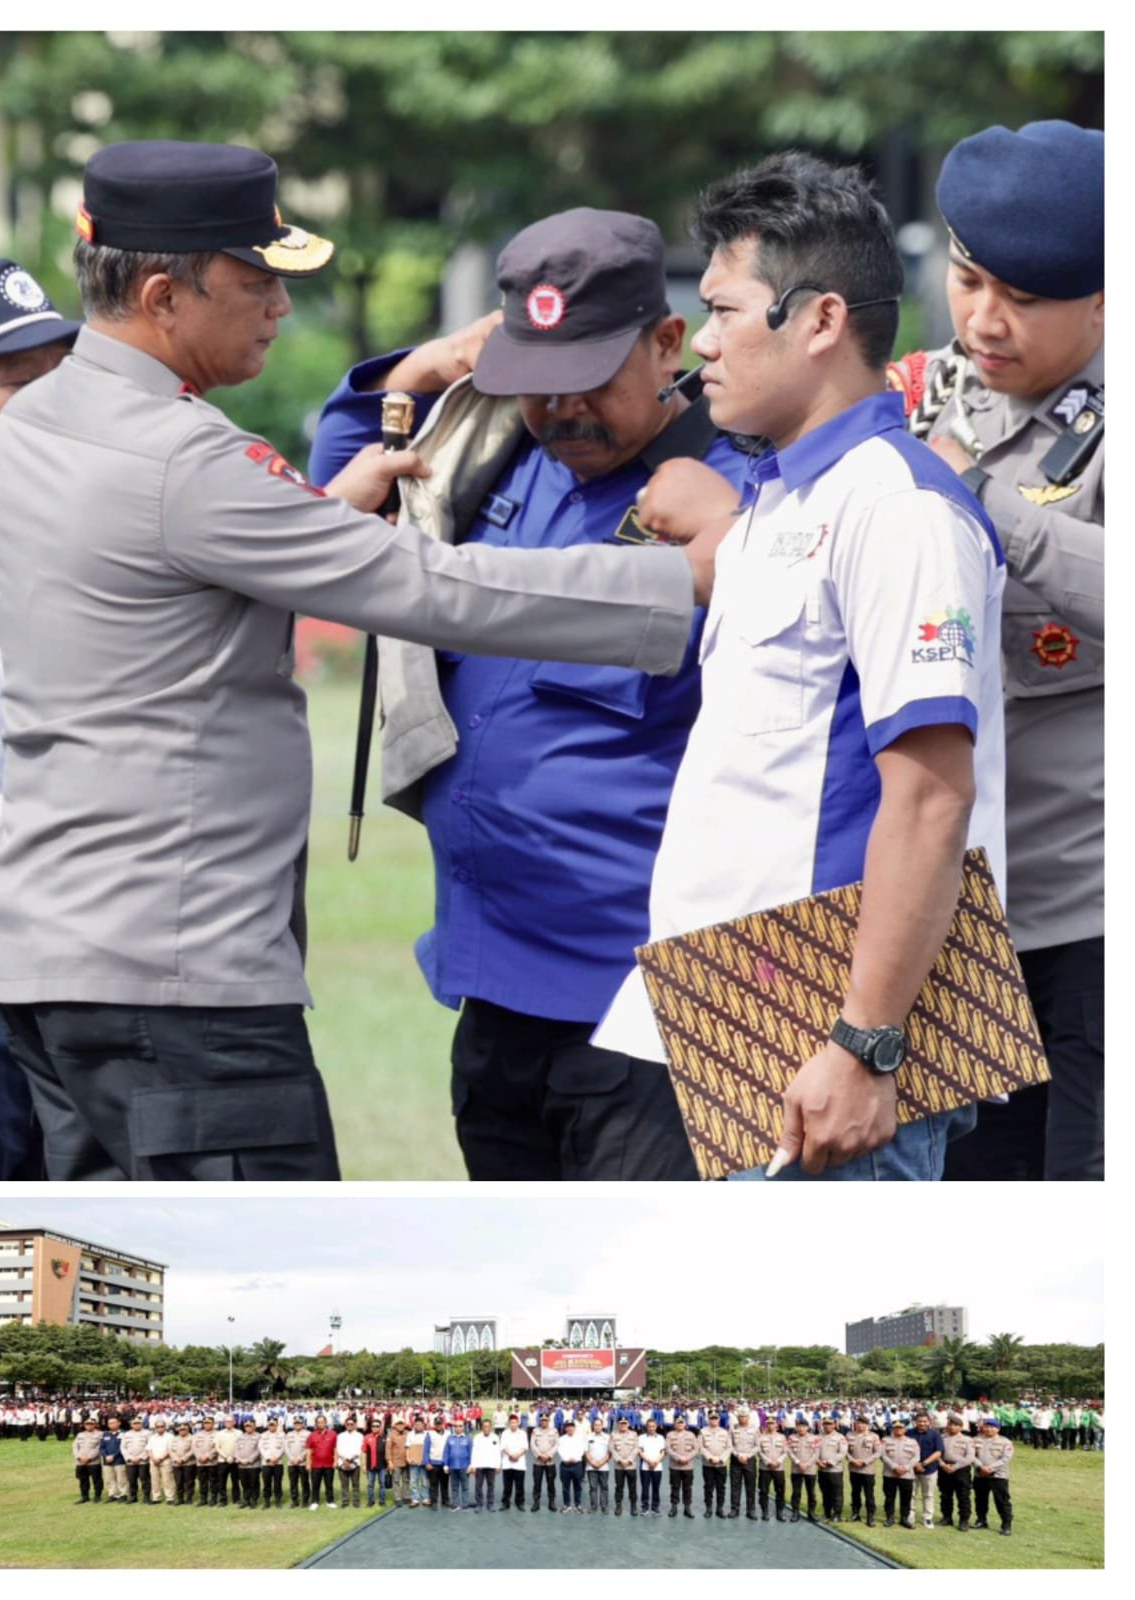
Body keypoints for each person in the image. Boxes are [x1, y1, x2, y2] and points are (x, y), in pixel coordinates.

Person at [0, 141, 720, 1184]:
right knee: (252, 1306)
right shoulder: (186, 461)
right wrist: (687, 578)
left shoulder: (39, 419)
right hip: (181, 981)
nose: (279, 306)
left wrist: (334, 491)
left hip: (55, 959)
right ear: (161, 294)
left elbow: (174, 570)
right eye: (256, 280)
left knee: (132, 1275)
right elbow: (431, 586)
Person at [311, 209, 751, 1183]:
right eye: (533, 386)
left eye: (586, 379)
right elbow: (334, 493)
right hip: (490, 989)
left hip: (647, 1012)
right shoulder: (507, 453)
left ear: (666, 343)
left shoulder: (733, 497)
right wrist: (420, 369)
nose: (561, 412)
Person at [596, 150, 1005, 1183]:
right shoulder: (783, 500)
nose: (701, 343)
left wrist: (865, 1042)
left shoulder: (896, 507)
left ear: (819, 321)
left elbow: (929, 796)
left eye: (726, 309)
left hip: (829, 1035)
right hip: (742, 1010)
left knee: (833, 1338)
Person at [898, 121, 1103, 1184]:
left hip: (1095, 919)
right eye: (969, 280)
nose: (985, 318)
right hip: (961, 925)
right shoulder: (922, 392)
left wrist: (979, 501)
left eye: (1024, 299)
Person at [0, 261, 79, 1181]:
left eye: (58, 376)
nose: (47, 406)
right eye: (13, 383)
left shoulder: (79, 532)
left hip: (83, 965)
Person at [972, 1418, 1015, 1535]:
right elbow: (971, 1455)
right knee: (980, 1499)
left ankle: (1006, 1525)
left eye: (992, 1427)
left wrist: (990, 1468)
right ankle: (981, 1520)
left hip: (998, 1476)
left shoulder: (1005, 1442)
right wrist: (981, 1467)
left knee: (1002, 1501)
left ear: (998, 1429)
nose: (989, 1429)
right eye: (987, 1426)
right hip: (980, 1474)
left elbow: (1006, 1458)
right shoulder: (976, 1440)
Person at [937, 1413, 975, 1531]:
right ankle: (947, 1517)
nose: (952, 1427)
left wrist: (955, 1467)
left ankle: (964, 1520)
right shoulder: (941, 1438)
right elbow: (936, 1453)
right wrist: (943, 1465)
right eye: (950, 1424)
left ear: (960, 1427)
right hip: (944, 1468)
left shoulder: (967, 1440)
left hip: (961, 1470)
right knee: (945, 1495)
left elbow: (970, 1457)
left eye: (955, 1425)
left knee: (963, 1495)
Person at [881, 1419, 920, 1528]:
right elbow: (883, 1455)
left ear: (905, 1430)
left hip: (906, 1474)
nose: (898, 1430)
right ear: (892, 1429)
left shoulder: (912, 1442)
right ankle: (890, 1517)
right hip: (890, 1473)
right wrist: (894, 1467)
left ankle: (904, 1518)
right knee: (889, 1497)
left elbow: (916, 1457)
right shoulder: (885, 1440)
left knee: (906, 1497)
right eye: (896, 1428)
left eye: (901, 1428)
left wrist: (905, 1468)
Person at [846, 1414, 881, 1527]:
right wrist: (852, 1460)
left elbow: (878, 1452)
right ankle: (855, 1513)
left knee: (869, 1494)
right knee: (855, 1493)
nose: (860, 1425)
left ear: (867, 1425)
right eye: (858, 1423)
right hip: (854, 1469)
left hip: (867, 1470)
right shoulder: (849, 1435)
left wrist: (865, 1462)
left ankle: (870, 1516)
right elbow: (844, 1452)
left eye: (863, 1423)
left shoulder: (874, 1436)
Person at [911, 1410, 944, 1529]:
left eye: (925, 1421)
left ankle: (928, 1518)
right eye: (920, 1421)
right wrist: (915, 1464)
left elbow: (938, 1452)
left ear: (929, 1422)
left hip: (929, 1469)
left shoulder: (935, 1434)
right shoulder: (909, 1433)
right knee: (911, 1494)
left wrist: (923, 1464)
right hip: (911, 1469)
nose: (922, 1423)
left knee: (928, 1495)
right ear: (915, 1422)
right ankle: (910, 1516)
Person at [787, 1418, 820, 1524]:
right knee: (796, 1492)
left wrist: (807, 1464)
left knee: (811, 1492)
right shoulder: (791, 1437)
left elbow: (816, 1453)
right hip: (796, 1469)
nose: (801, 1428)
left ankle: (811, 1513)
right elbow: (789, 1451)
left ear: (808, 1427)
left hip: (810, 1470)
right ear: (796, 1427)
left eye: (803, 1426)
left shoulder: (814, 1438)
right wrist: (798, 1462)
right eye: (799, 1426)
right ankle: (795, 1512)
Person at [666, 1412, 698, 1518]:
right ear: (674, 1424)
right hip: (675, 1466)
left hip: (688, 1466)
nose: (680, 1424)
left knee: (687, 1487)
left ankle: (687, 1508)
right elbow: (668, 1449)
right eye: (678, 1423)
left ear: (685, 1424)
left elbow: (696, 1449)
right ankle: (674, 1507)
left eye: (681, 1422)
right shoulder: (670, 1435)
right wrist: (678, 1457)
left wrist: (687, 1458)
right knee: (675, 1487)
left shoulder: (691, 1435)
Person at [757, 1416, 789, 1523]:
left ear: (777, 1424)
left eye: (773, 1423)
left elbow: (785, 1451)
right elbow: (759, 1451)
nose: (771, 1425)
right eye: (769, 1423)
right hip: (765, 1468)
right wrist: (768, 1461)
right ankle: (764, 1512)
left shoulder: (782, 1437)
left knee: (780, 1491)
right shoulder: (761, 1437)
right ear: (766, 1425)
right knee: (764, 1491)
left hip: (778, 1468)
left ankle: (780, 1512)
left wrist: (778, 1461)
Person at [729, 1407, 759, 1519]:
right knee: (735, 1485)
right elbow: (729, 1445)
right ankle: (734, 1509)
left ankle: (751, 1510)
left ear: (748, 1417)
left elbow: (757, 1446)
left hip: (749, 1460)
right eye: (741, 1416)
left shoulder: (754, 1429)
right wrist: (737, 1455)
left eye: (745, 1416)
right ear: (738, 1417)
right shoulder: (733, 1428)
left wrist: (748, 1455)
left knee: (750, 1486)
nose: (743, 1418)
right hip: (736, 1460)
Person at [816, 1416, 846, 1523]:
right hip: (822, 1470)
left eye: (830, 1424)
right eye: (825, 1424)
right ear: (822, 1425)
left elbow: (842, 1453)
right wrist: (818, 1462)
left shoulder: (840, 1437)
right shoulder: (818, 1437)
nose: (827, 1426)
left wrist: (829, 1462)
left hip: (835, 1470)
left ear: (834, 1425)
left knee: (837, 1493)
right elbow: (814, 1452)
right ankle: (827, 1513)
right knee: (825, 1493)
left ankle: (837, 1514)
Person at [469, 1416, 501, 1512]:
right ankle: (479, 1504)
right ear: (482, 1427)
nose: (486, 1428)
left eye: (488, 1426)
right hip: (480, 1465)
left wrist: (498, 1465)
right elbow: (474, 1452)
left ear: (490, 1427)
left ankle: (490, 1503)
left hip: (491, 1465)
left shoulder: (495, 1437)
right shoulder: (477, 1437)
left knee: (491, 1485)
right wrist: (473, 1466)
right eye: (484, 1426)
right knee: (478, 1486)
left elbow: (497, 1452)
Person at [611, 1415, 640, 1517]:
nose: (623, 1425)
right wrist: (619, 1460)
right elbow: (612, 1449)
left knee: (632, 1487)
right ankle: (618, 1505)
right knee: (619, 1487)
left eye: (625, 1423)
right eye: (621, 1423)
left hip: (631, 1466)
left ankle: (633, 1505)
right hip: (619, 1466)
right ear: (618, 1424)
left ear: (628, 1424)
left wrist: (629, 1460)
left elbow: (636, 1448)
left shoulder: (634, 1434)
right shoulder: (613, 1435)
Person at [306, 1414, 337, 1510]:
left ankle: (330, 1501)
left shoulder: (333, 1434)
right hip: (316, 1464)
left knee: (329, 1483)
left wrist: (336, 1460)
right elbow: (308, 1450)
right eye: (318, 1422)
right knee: (315, 1484)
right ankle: (315, 1501)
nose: (321, 1424)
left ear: (326, 1423)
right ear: (316, 1424)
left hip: (329, 1463)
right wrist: (308, 1463)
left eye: (322, 1422)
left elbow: (335, 1448)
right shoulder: (312, 1435)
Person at [530, 1412, 559, 1512]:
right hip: (538, 1462)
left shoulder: (554, 1431)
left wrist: (549, 1455)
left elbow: (556, 1445)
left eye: (546, 1420)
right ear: (540, 1421)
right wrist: (539, 1455)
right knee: (537, 1483)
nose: (544, 1422)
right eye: (542, 1420)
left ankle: (551, 1502)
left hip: (550, 1462)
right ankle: (536, 1502)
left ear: (549, 1421)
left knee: (551, 1483)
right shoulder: (535, 1431)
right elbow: (532, 1445)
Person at [557, 1418, 587, 1513]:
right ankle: (567, 1504)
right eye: (568, 1426)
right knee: (565, 1486)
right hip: (565, 1465)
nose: (570, 1428)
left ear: (574, 1428)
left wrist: (575, 1458)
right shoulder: (561, 1439)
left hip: (577, 1464)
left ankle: (578, 1504)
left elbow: (582, 1450)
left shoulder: (580, 1438)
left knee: (577, 1486)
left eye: (571, 1426)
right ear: (565, 1428)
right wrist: (566, 1459)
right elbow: (560, 1450)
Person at [638, 1417, 666, 1517]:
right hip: (645, 1466)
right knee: (645, 1488)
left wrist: (656, 1462)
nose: (651, 1428)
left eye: (653, 1426)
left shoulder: (661, 1438)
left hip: (657, 1467)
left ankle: (655, 1508)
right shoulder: (641, 1437)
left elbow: (663, 1452)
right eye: (649, 1426)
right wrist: (648, 1461)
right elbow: (640, 1452)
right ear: (646, 1427)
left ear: (656, 1427)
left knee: (656, 1488)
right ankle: (645, 1508)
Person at [500, 1413, 528, 1510]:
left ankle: (520, 1503)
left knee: (519, 1485)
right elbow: (503, 1447)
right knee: (507, 1485)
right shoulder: (505, 1433)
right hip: (507, 1463)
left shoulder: (523, 1433)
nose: (513, 1424)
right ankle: (505, 1503)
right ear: (509, 1423)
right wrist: (511, 1455)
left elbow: (525, 1448)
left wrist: (517, 1455)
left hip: (519, 1464)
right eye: (511, 1422)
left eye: (515, 1422)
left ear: (518, 1423)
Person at [442, 1417, 472, 1511]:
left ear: (463, 1427)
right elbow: (446, 1452)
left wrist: (471, 1465)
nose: (458, 1428)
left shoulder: (467, 1439)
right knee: (454, 1487)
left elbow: (471, 1453)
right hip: (453, 1466)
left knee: (465, 1487)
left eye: (460, 1426)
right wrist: (445, 1464)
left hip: (464, 1467)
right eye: (456, 1426)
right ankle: (455, 1504)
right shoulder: (450, 1438)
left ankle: (465, 1504)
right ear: (453, 1427)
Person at [73, 1417, 103, 1504]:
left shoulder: (100, 1434)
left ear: (95, 1425)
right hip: (80, 1462)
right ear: (84, 1425)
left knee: (96, 1480)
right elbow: (75, 1447)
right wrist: (79, 1457)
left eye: (91, 1424)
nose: (89, 1426)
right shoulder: (80, 1435)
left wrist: (89, 1458)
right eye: (87, 1424)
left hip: (94, 1462)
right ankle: (84, 1496)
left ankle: (97, 1496)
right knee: (83, 1480)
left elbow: (99, 1447)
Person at [584, 1415, 611, 1514]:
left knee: (604, 1487)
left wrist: (601, 1462)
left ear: (602, 1426)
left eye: (599, 1425)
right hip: (591, 1467)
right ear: (593, 1426)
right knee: (593, 1488)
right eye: (595, 1425)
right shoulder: (588, 1437)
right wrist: (592, 1462)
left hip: (604, 1467)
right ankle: (593, 1506)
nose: (597, 1427)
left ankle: (604, 1506)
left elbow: (609, 1452)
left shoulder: (608, 1437)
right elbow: (586, 1452)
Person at [146, 1417, 176, 1506]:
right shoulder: (152, 1437)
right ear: (155, 1428)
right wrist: (153, 1459)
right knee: (154, 1481)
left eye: (162, 1426)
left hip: (165, 1461)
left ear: (165, 1427)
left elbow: (170, 1450)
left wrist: (161, 1459)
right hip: (153, 1462)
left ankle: (170, 1497)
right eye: (158, 1427)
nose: (160, 1428)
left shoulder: (170, 1436)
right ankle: (156, 1497)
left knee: (167, 1480)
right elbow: (148, 1449)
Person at [120, 1415, 150, 1503]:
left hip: (143, 1461)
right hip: (130, 1461)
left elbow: (149, 1446)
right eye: (134, 1423)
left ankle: (146, 1497)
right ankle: (133, 1497)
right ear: (131, 1425)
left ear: (141, 1424)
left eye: (138, 1423)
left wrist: (141, 1457)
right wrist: (129, 1458)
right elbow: (123, 1447)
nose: (137, 1425)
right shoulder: (126, 1434)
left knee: (144, 1480)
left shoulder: (147, 1433)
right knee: (131, 1480)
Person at [423, 1416, 451, 1510]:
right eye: (437, 1424)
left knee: (445, 1483)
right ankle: (434, 1501)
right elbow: (425, 1450)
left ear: (443, 1424)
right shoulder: (430, 1434)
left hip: (445, 1463)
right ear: (434, 1424)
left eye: (440, 1423)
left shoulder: (448, 1433)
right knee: (434, 1484)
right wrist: (427, 1462)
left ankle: (445, 1500)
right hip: (433, 1463)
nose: (439, 1425)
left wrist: (449, 1463)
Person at [191, 1415, 219, 1505]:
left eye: (209, 1423)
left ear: (213, 1424)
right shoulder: (197, 1434)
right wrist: (199, 1456)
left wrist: (208, 1456)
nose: (207, 1425)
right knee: (202, 1481)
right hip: (200, 1463)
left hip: (212, 1462)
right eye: (205, 1423)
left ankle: (213, 1498)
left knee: (213, 1481)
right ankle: (203, 1499)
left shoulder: (218, 1434)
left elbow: (217, 1447)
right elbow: (194, 1447)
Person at [259, 1417, 286, 1508]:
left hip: (278, 1463)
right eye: (270, 1425)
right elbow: (261, 1448)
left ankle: (278, 1501)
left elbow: (283, 1447)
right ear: (267, 1425)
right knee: (266, 1483)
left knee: (277, 1483)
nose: (272, 1426)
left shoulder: (282, 1435)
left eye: (273, 1424)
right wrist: (268, 1459)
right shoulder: (263, 1435)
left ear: (276, 1425)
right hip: (266, 1463)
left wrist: (276, 1458)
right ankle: (267, 1501)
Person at [235, 1419, 262, 1508]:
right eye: (246, 1426)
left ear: (254, 1426)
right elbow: (236, 1449)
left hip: (253, 1465)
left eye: (250, 1426)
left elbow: (259, 1450)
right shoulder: (240, 1436)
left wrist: (249, 1460)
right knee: (244, 1483)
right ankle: (246, 1499)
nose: (248, 1427)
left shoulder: (259, 1436)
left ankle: (254, 1500)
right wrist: (239, 1459)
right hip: (241, 1465)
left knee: (254, 1483)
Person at [286, 1417, 311, 1508]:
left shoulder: (308, 1434)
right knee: (293, 1483)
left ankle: (305, 1501)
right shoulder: (289, 1434)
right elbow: (286, 1447)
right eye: (296, 1423)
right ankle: (295, 1501)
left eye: (299, 1423)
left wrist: (300, 1458)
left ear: (303, 1424)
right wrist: (292, 1458)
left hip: (302, 1462)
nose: (297, 1425)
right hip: (291, 1462)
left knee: (304, 1482)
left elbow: (308, 1448)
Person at [385, 1416, 410, 1508]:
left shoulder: (408, 1433)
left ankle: (406, 1496)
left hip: (406, 1461)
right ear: (395, 1425)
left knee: (406, 1480)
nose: (400, 1426)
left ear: (404, 1425)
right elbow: (388, 1449)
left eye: (401, 1424)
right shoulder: (391, 1435)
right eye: (398, 1424)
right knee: (396, 1480)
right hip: (395, 1461)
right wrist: (389, 1461)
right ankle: (397, 1498)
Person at [361, 1416, 386, 1508]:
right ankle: (370, 1501)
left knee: (382, 1484)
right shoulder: (367, 1437)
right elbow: (363, 1452)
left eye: (377, 1426)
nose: (375, 1428)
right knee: (370, 1484)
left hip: (382, 1465)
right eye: (373, 1426)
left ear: (380, 1427)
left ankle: (382, 1501)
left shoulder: (385, 1437)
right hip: (370, 1465)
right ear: (371, 1427)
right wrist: (363, 1465)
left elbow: (388, 1452)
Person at [407, 1417, 429, 1507]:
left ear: (423, 1425)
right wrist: (407, 1458)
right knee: (413, 1481)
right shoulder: (410, 1434)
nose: (418, 1426)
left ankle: (425, 1498)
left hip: (424, 1461)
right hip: (413, 1461)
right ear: (414, 1425)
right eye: (416, 1424)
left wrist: (427, 1460)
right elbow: (407, 1447)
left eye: (420, 1424)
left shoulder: (427, 1434)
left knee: (425, 1481)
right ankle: (415, 1499)